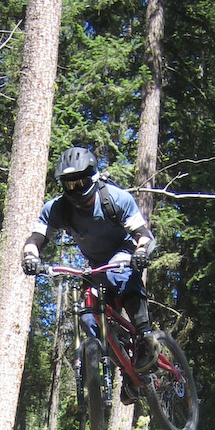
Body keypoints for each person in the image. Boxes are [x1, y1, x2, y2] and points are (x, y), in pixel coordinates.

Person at [21, 146, 160, 376]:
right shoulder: (57, 209)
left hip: (123, 254)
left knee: (119, 274)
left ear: (93, 178)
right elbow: (36, 238)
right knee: (88, 316)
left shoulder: (116, 199)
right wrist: (30, 256)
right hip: (95, 265)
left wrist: (141, 252)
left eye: (81, 182)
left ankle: (145, 337)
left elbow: (143, 234)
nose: (76, 189)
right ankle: (126, 369)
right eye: (70, 184)